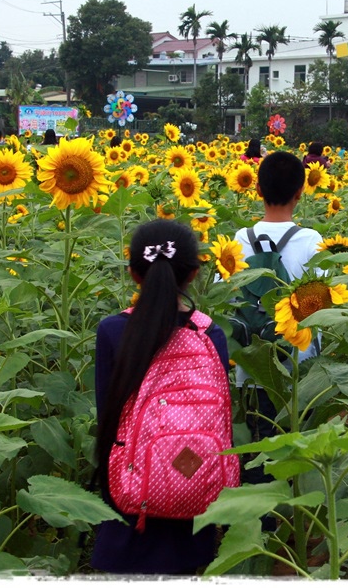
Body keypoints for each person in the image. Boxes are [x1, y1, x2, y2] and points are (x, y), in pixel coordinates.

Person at [91, 219, 228, 575]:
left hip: (130, 511)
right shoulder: (211, 334)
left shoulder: (113, 331)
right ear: (194, 273)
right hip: (193, 500)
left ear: (134, 274)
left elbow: (107, 418)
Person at [233, 151, 323, 464]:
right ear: (300, 191)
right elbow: (329, 306)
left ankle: (262, 512)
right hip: (301, 370)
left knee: (258, 453)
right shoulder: (311, 240)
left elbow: (226, 296)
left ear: (257, 189)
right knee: (297, 456)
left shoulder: (239, 239)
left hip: (253, 368)